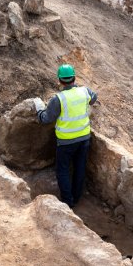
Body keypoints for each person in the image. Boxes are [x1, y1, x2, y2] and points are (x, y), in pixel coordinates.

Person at [35, 64, 97, 208]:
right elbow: (93, 99)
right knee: (79, 167)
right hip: (84, 138)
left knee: (62, 170)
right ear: (75, 78)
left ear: (60, 81)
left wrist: (38, 108)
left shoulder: (59, 99)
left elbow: (45, 119)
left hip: (66, 142)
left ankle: (67, 202)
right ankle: (76, 197)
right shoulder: (85, 91)